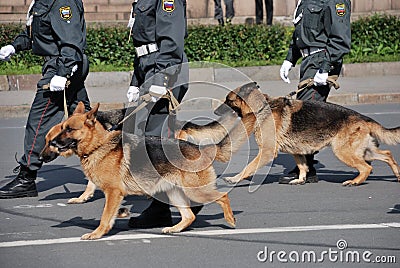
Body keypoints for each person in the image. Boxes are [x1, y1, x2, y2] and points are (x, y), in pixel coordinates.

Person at [0, 0, 90, 198]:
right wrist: (14, 46)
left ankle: (27, 177)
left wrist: (64, 71)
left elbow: (71, 39)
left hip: (62, 66)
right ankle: (119, 162)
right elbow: (36, 36)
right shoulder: (42, 2)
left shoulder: (62, 2)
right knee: (87, 119)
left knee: (39, 120)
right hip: (59, 64)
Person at [125, 0, 201, 228]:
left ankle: (186, 197)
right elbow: (143, 45)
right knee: (146, 138)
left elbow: (171, 38)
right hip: (147, 67)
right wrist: (136, 81)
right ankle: (167, 202)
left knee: (156, 141)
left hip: (164, 69)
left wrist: (161, 78)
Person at [278, 0, 351, 184]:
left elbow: (340, 38)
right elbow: (301, 33)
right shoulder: (305, 1)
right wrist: (290, 58)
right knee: (305, 112)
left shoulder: (334, 1)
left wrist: (326, 67)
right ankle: (306, 164)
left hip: (321, 59)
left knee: (305, 114)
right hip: (308, 60)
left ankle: (307, 168)